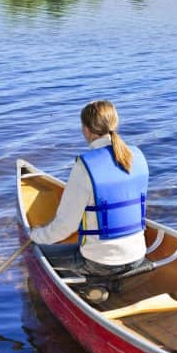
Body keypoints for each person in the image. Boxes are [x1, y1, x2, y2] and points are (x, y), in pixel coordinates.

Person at [30, 100, 149, 279]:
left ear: (86, 130)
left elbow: (65, 227)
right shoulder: (137, 156)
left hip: (101, 263)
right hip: (138, 255)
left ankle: (87, 284)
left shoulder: (84, 167)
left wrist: (35, 235)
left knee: (36, 251)